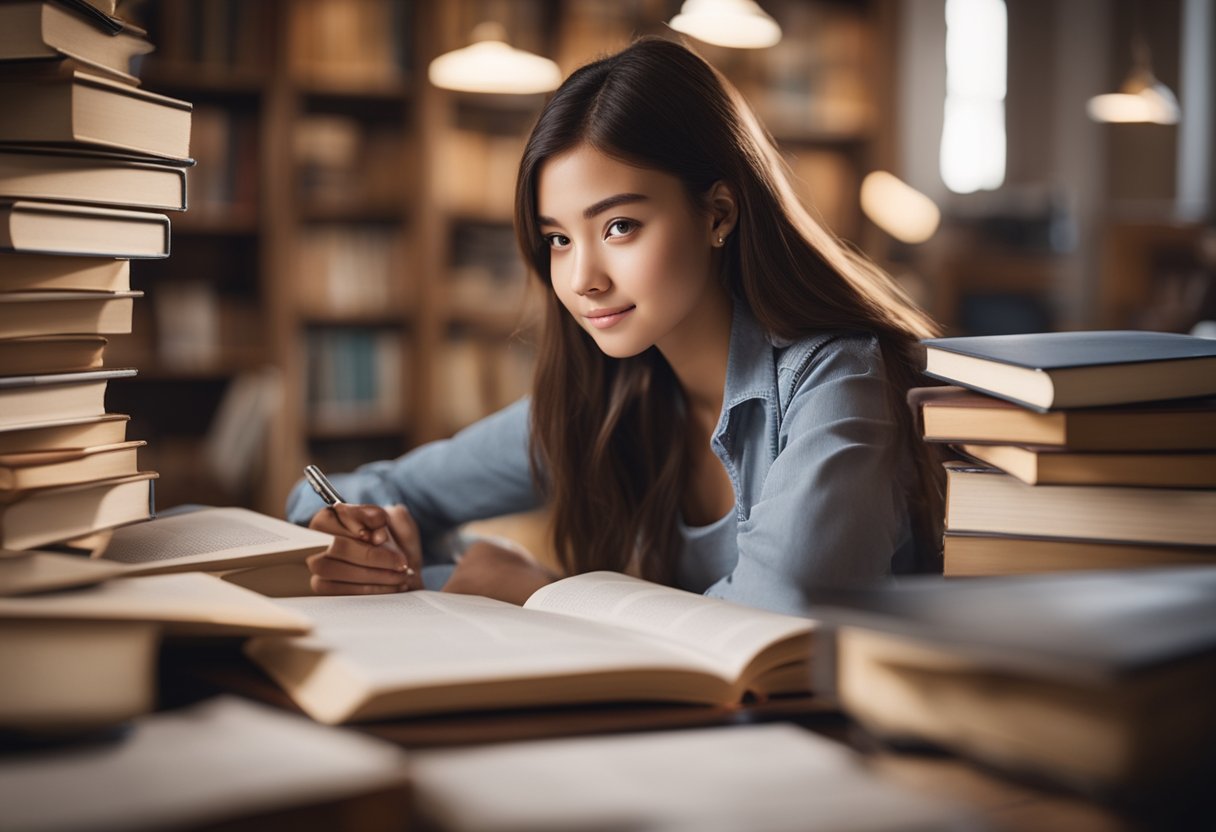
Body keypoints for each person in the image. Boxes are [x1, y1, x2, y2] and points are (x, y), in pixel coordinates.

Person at [286, 37, 943, 617]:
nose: (582, 279)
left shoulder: (841, 379)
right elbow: (358, 492)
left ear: (717, 214)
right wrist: (354, 538)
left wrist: (546, 596)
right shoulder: (605, 392)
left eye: (618, 226)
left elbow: (778, 621)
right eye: (558, 240)